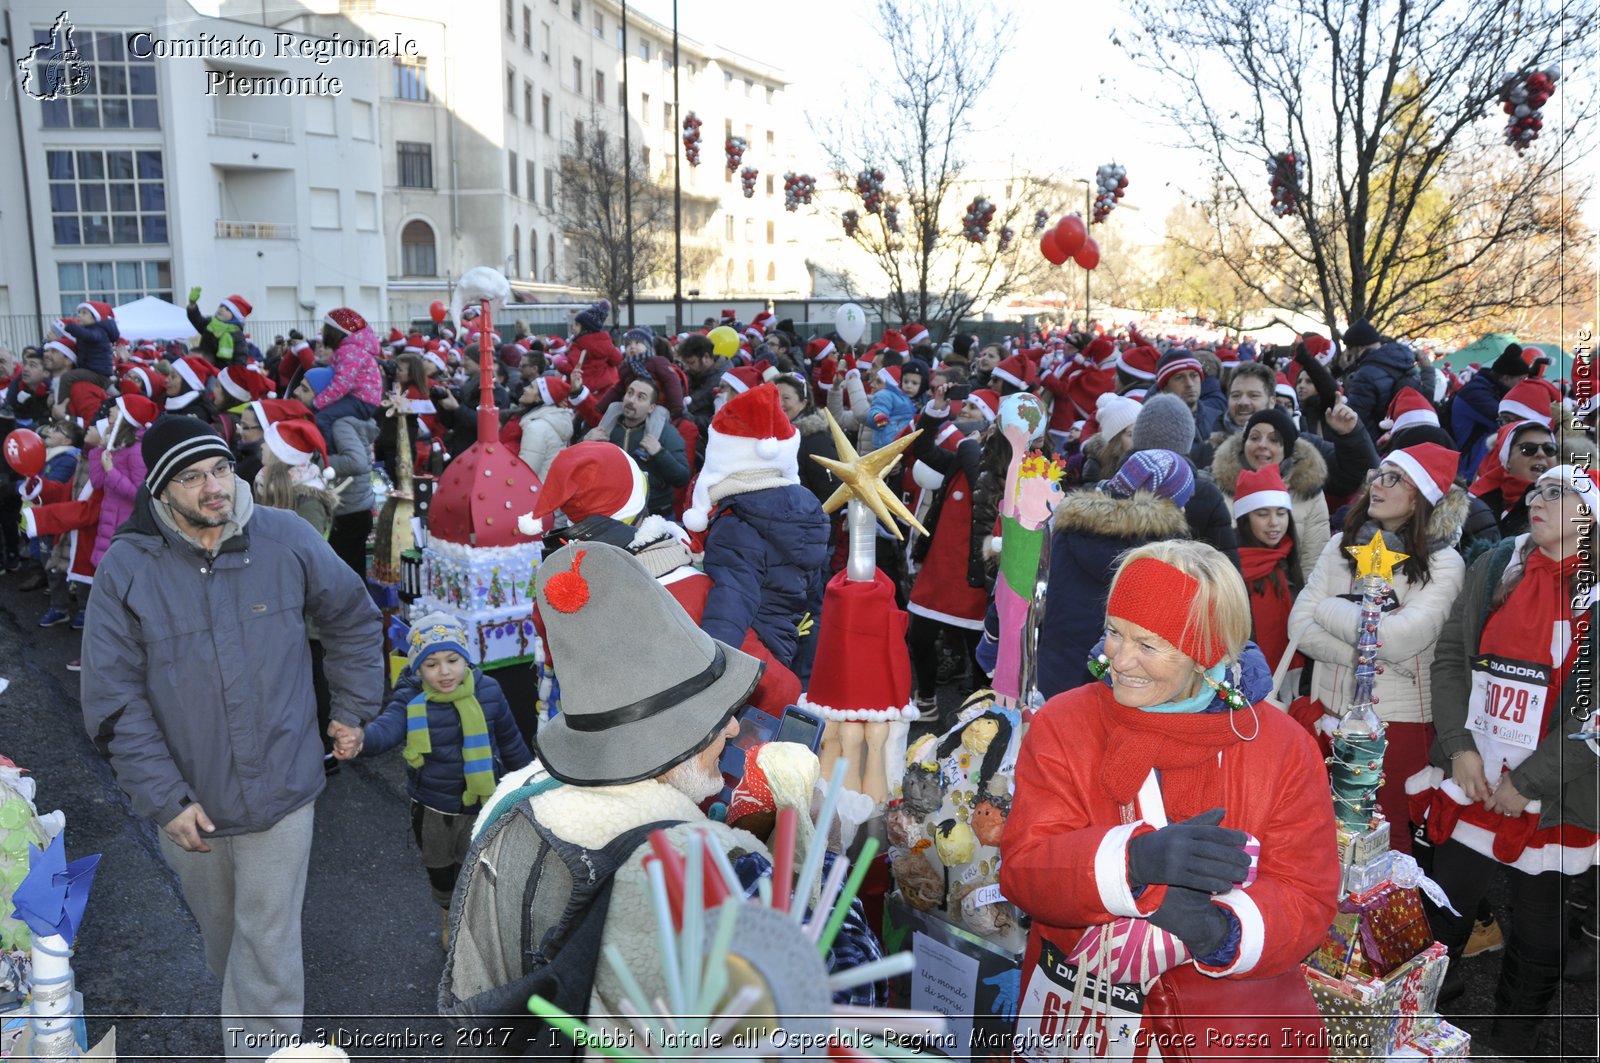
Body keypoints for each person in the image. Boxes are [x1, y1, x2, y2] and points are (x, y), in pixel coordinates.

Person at [442, 541, 883, 1047]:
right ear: (674, 739)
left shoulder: (511, 808)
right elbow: (843, 1015)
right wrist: (816, 855)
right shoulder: (719, 867)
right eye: (719, 714)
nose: (737, 727)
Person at [79, 416, 382, 1058]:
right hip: (190, 806)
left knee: (267, 952)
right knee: (227, 947)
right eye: (190, 477)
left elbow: (353, 618)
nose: (213, 487)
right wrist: (164, 798)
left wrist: (352, 708)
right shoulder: (126, 571)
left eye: (219, 469)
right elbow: (111, 700)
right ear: (161, 492)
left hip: (283, 790)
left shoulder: (286, 537)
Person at [1001, 540, 1338, 1056]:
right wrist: (1131, 863)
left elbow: (1307, 895)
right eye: (1114, 631)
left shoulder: (1279, 746)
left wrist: (1218, 930)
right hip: (1082, 1019)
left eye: (1149, 645)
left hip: (1218, 1030)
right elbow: (1024, 870)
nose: (1118, 658)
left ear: (1207, 653)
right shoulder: (1065, 725)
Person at [1411, 465, 1598, 1050]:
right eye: (1538, 488)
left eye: (1559, 491)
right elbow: (1449, 660)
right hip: (1474, 777)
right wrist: (1460, 749)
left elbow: (1590, 713)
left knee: (1540, 931)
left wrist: (1531, 783)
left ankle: (1509, 1045)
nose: (1539, 497)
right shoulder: (1496, 564)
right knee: (1442, 911)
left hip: (1555, 792)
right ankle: (1408, 1026)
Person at [1288, 443, 1468, 853]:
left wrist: (1330, 609)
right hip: (1327, 713)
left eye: (1393, 478)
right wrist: (1367, 652)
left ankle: (1391, 919)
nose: (1377, 485)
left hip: (1395, 725)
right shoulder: (1340, 545)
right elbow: (1299, 626)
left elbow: (1398, 639)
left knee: (1384, 841)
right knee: (1317, 833)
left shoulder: (1444, 564)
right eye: (1377, 475)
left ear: (1420, 495)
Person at [362, 613, 532, 946]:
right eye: (432, 664)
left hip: (483, 803)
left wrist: (528, 785)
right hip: (434, 805)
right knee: (440, 869)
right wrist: (360, 739)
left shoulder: (489, 691)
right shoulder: (412, 698)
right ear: (417, 669)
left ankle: (475, 922)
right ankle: (447, 913)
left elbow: (511, 743)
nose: (444, 672)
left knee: (482, 865)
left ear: (466, 659)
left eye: (453, 660)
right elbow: (388, 728)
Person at [683, 383, 829, 683]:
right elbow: (813, 587)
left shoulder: (736, 521)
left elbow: (732, 602)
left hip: (753, 648)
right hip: (789, 638)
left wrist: (709, 668)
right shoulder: (806, 510)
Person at [1035, 449, 1194, 699]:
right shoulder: (1164, 552)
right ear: (1169, 504)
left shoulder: (1069, 526)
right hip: (1122, 684)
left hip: (1055, 675)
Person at [1211, 406, 1331, 579]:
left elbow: (1313, 564)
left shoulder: (1309, 492)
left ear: (1287, 449)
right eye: (1254, 437)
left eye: (1274, 440)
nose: (1262, 445)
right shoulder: (1219, 486)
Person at [295, 369, 378, 577]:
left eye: (305, 389)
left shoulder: (340, 424)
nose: (297, 391)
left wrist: (315, 462)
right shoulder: (329, 420)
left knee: (344, 576)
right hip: (349, 508)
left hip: (350, 512)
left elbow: (357, 462)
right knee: (351, 574)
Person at [1232, 465, 1305, 674]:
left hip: (1288, 678)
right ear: (1245, 520)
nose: (1274, 523)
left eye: (1281, 513)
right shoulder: (1231, 563)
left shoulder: (1287, 557)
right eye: (1263, 514)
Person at [590, 377, 691, 520]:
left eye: (641, 397)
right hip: (612, 512)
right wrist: (585, 444)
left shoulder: (666, 433)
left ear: (651, 407)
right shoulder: (606, 428)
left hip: (655, 516)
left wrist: (659, 453)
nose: (631, 400)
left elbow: (682, 478)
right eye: (629, 393)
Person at [1450, 344, 1532, 478]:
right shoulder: (1476, 394)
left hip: (1473, 466)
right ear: (1505, 378)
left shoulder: (1490, 389)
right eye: (1520, 379)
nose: (1522, 384)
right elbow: (1508, 421)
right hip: (1466, 469)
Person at [309, 308, 384, 440]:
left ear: (335, 331)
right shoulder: (349, 349)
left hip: (361, 400)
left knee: (322, 419)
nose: (322, 331)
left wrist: (317, 402)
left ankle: (328, 457)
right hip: (361, 398)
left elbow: (341, 384)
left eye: (325, 328)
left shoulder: (349, 351)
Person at [512, 371, 583, 480]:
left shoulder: (537, 428)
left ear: (540, 398)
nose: (525, 389)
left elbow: (526, 471)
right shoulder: (552, 420)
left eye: (531, 387)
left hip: (533, 491)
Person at [185, 289, 252, 364]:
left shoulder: (237, 334)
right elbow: (197, 321)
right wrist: (192, 305)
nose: (222, 309)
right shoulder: (210, 324)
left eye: (227, 309)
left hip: (224, 371)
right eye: (221, 306)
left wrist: (235, 372)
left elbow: (240, 356)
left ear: (235, 316)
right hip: (205, 365)